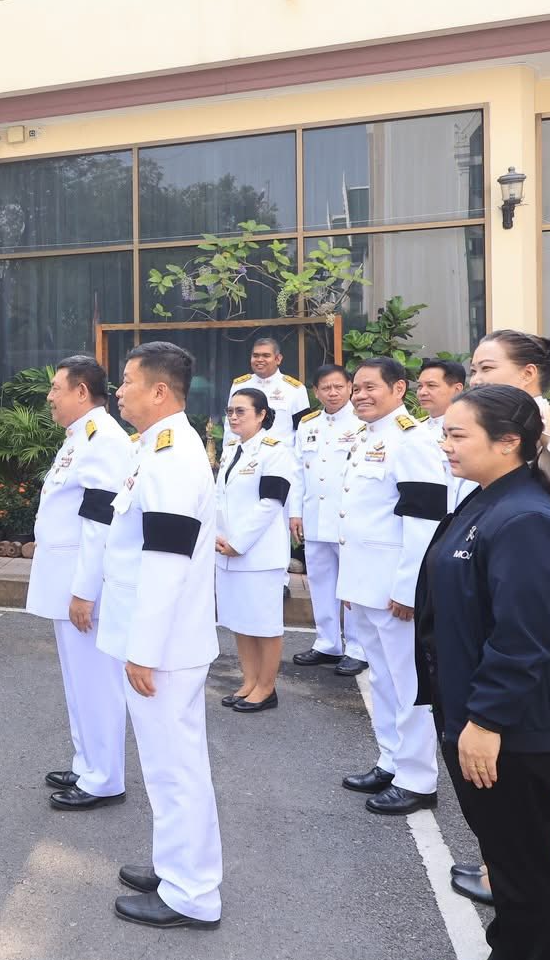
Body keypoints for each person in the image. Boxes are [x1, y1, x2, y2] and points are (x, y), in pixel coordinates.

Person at [415, 384, 550, 960]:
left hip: (513, 725)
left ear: (509, 442)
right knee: (508, 853)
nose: (446, 442)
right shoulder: (494, 500)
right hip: (482, 715)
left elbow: (523, 636)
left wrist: (485, 720)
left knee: (522, 864)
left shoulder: (527, 519)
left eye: (459, 434)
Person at [87, 340, 222, 929]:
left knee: (175, 767)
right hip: (153, 639)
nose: (118, 391)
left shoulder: (173, 455)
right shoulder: (156, 448)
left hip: (162, 647)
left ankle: (192, 893)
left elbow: (166, 562)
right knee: (166, 765)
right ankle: (175, 868)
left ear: (160, 391)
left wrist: (143, 651)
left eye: (127, 381)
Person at [330, 357, 451, 816]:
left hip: (394, 590)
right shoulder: (368, 438)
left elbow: (424, 522)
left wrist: (408, 589)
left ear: (399, 388)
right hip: (365, 585)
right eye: (355, 388)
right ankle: (391, 760)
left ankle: (418, 779)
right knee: (381, 679)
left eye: (369, 388)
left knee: (408, 683)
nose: (359, 395)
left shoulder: (412, 441)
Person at [25, 355, 135, 812]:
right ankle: (86, 761)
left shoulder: (103, 440)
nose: (50, 397)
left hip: (82, 583)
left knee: (95, 682)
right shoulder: (80, 438)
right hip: (65, 577)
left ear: (82, 392)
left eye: (56, 388)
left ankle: (104, 778)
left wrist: (84, 591)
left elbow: (99, 523)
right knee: (77, 680)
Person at [215, 386, 299, 714]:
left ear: (262, 415)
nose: (234, 417)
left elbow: (271, 503)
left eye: (241, 411)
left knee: (263, 624)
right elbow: (222, 501)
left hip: (257, 555)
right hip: (228, 554)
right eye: (230, 411)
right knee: (240, 621)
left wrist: (238, 542)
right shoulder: (232, 451)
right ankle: (249, 682)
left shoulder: (274, 451)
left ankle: (266, 688)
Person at [290, 363, 368, 675]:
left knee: (352, 586)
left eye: (338, 386)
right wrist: (295, 512)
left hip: (348, 519)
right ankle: (327, 642)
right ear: (316, 391)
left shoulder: (363, 423)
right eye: (325, 388)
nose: (332, 393)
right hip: (314, 517)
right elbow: (297, 473)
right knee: (320, 582)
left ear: (350, 387)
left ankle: (358, 646)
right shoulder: (307, 425)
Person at [224, 335, 311, 447]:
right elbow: (230, 424)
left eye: (266, 356)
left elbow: (304, 429)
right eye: (255, 356)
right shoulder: (239, 386)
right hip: (245, 455)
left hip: (280, 457)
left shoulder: (295, 389)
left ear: (278, 359)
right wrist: (228, 452)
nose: (260, 360)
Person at [416, 358, 471, 509]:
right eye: (420, 386)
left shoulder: (469, 429)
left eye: (431, 386)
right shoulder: (415, 428)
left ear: (457, 389)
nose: (422, 392)